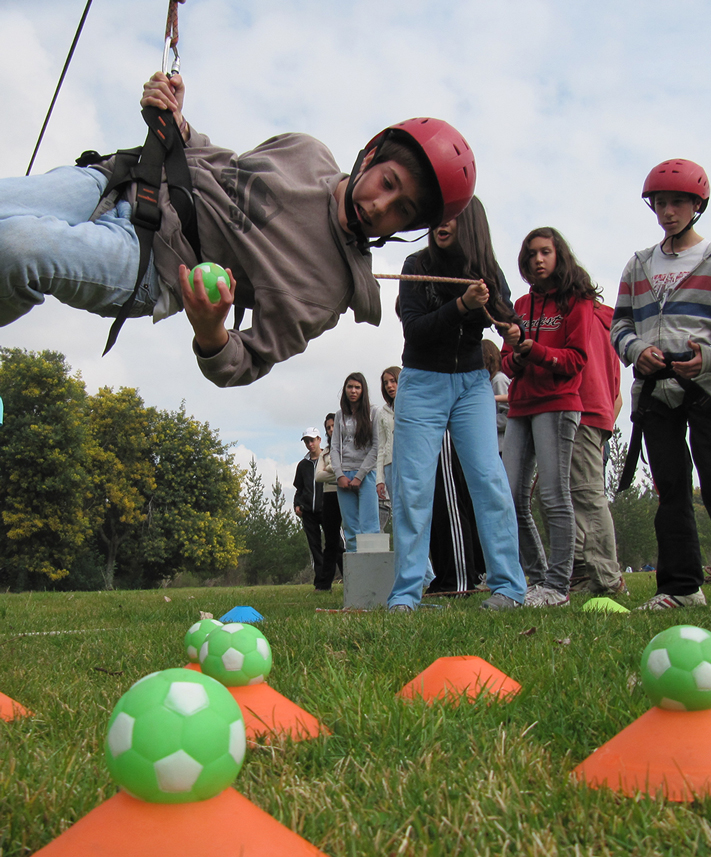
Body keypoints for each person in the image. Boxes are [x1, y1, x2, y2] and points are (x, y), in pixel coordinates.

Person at [0, 71, 476, 386]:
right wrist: (179, 125)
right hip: (121, 179)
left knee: (16, 248)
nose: (381, 206)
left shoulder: (325, 293)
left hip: (154, 264)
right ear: (371, 155)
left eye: (403, 210)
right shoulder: (305, 150)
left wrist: (211, 331)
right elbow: (218, 164)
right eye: (387, 183)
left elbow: (245, 362)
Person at [387, 196, 528, 612]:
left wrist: (515, 334)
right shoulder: (416, 265)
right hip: (422, 381)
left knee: (489, 480)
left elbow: (508, 318)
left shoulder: (486, 269)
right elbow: (415, 330)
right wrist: (461, 306)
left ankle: (508, 588)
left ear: (470, 222)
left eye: (451, 216)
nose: (440, 223)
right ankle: (406, 595)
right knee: (413, 487)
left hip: (472, 386)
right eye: (436, 215)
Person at [611, 158, 711, 610]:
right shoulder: (638, 264)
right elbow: (620, 324)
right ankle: (681, 588)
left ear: (697, 205)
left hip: (704, 387)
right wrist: (636, 351)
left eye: (677, 203)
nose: (668, 211)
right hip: (654, 392)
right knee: (669, 487)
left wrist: (706, 356)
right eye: (660, 203)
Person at [502, 227, 597, 608]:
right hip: (520, 406)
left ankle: (559, 585)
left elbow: (576, 360)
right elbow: (508, 363)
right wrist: (519, 355)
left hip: (557, 405)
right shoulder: (521, 305)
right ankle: (538, 579)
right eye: (530, 254)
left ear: (559, 256)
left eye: (544, 252)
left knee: (555, 497)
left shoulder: (577, 301)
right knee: (509, 497)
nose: (537, 260)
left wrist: (535, 350)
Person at [569, 303, 626, 596]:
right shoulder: (608, 321)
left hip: (581, 410)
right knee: (576, 494)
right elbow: (617, 391)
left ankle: (606, 578)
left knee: (586, 495)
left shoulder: (583, 318)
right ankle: (581, 573)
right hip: (601, 412)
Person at [330, 373, 380, 551]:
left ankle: (371, 574)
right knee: (350, 529)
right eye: (350, 387)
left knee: (370, 528)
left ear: (363, 390)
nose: (353, 391)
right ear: (345, 389)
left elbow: (376, 448)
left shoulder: (374, 412)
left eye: (357, 387)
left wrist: (360, 476)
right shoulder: (339, 416)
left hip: (366, 474)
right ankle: (354, 574)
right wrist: (339, 474)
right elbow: (334, 447)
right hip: (344, 476)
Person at [314, 414, 345, 590]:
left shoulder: (348, 448)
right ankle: (324, 584)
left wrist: (332, 469)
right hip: (329, 495)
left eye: (334, 426)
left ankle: (354, 579)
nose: (331, 429)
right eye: (328, 427)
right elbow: (318, 476)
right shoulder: (324, 453)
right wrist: (337, 470)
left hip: (347, 492)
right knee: (331, 541)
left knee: (352, 538)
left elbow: (347, 467)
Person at [293, 427, 326, 590]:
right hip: (308, 513)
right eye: (307, 441)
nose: (310, 444)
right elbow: (299, 489)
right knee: (315, 547)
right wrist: (297, 505)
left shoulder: (328, 459)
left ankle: (348, 578)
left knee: (338, 545)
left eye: (312, 440)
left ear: (319, 440)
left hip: (327, 509)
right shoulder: (303, 465)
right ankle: (321, 583)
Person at [375, 366, 400, 529]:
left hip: (411, 464)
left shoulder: (412, 406)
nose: (389, 386)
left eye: (393, 381)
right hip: (390, 466)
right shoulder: (382, 413)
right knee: (397, 512)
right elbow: (381, 447)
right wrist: (379, 479)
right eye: (386, 383)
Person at [482, 338, 509, 455]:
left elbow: (508, 417)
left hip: (501, 447)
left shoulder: (499, 380)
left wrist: (483, 421)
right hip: (490, 446)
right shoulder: (486, 382)